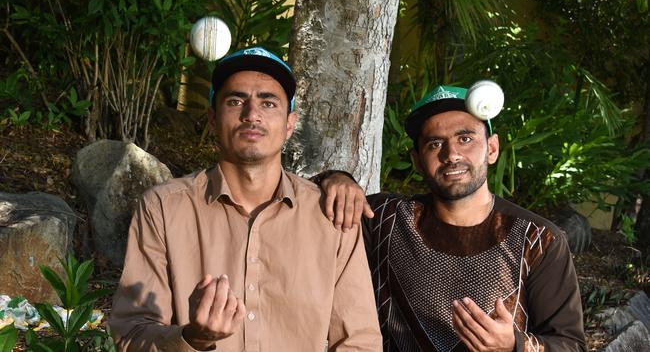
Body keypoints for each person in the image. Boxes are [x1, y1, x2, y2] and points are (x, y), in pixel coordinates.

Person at [109, 47, 382, 351]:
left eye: (268, 102)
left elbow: (358, 342)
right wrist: (192, 338)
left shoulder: (331, 214)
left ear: (290, 124)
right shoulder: (163, 208)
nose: (252, 115)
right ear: (212, 118)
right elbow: (132, 333)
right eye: (236, 101)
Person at [318, 85, 586, 352]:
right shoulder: (385, 218)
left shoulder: (537, 238)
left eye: (465, 139)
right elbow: (301, 208)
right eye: (435, 144)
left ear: (492, 149)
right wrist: (336, 179)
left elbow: (572, 346)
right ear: (418, 161)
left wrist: (515, 344)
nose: (452, 155)